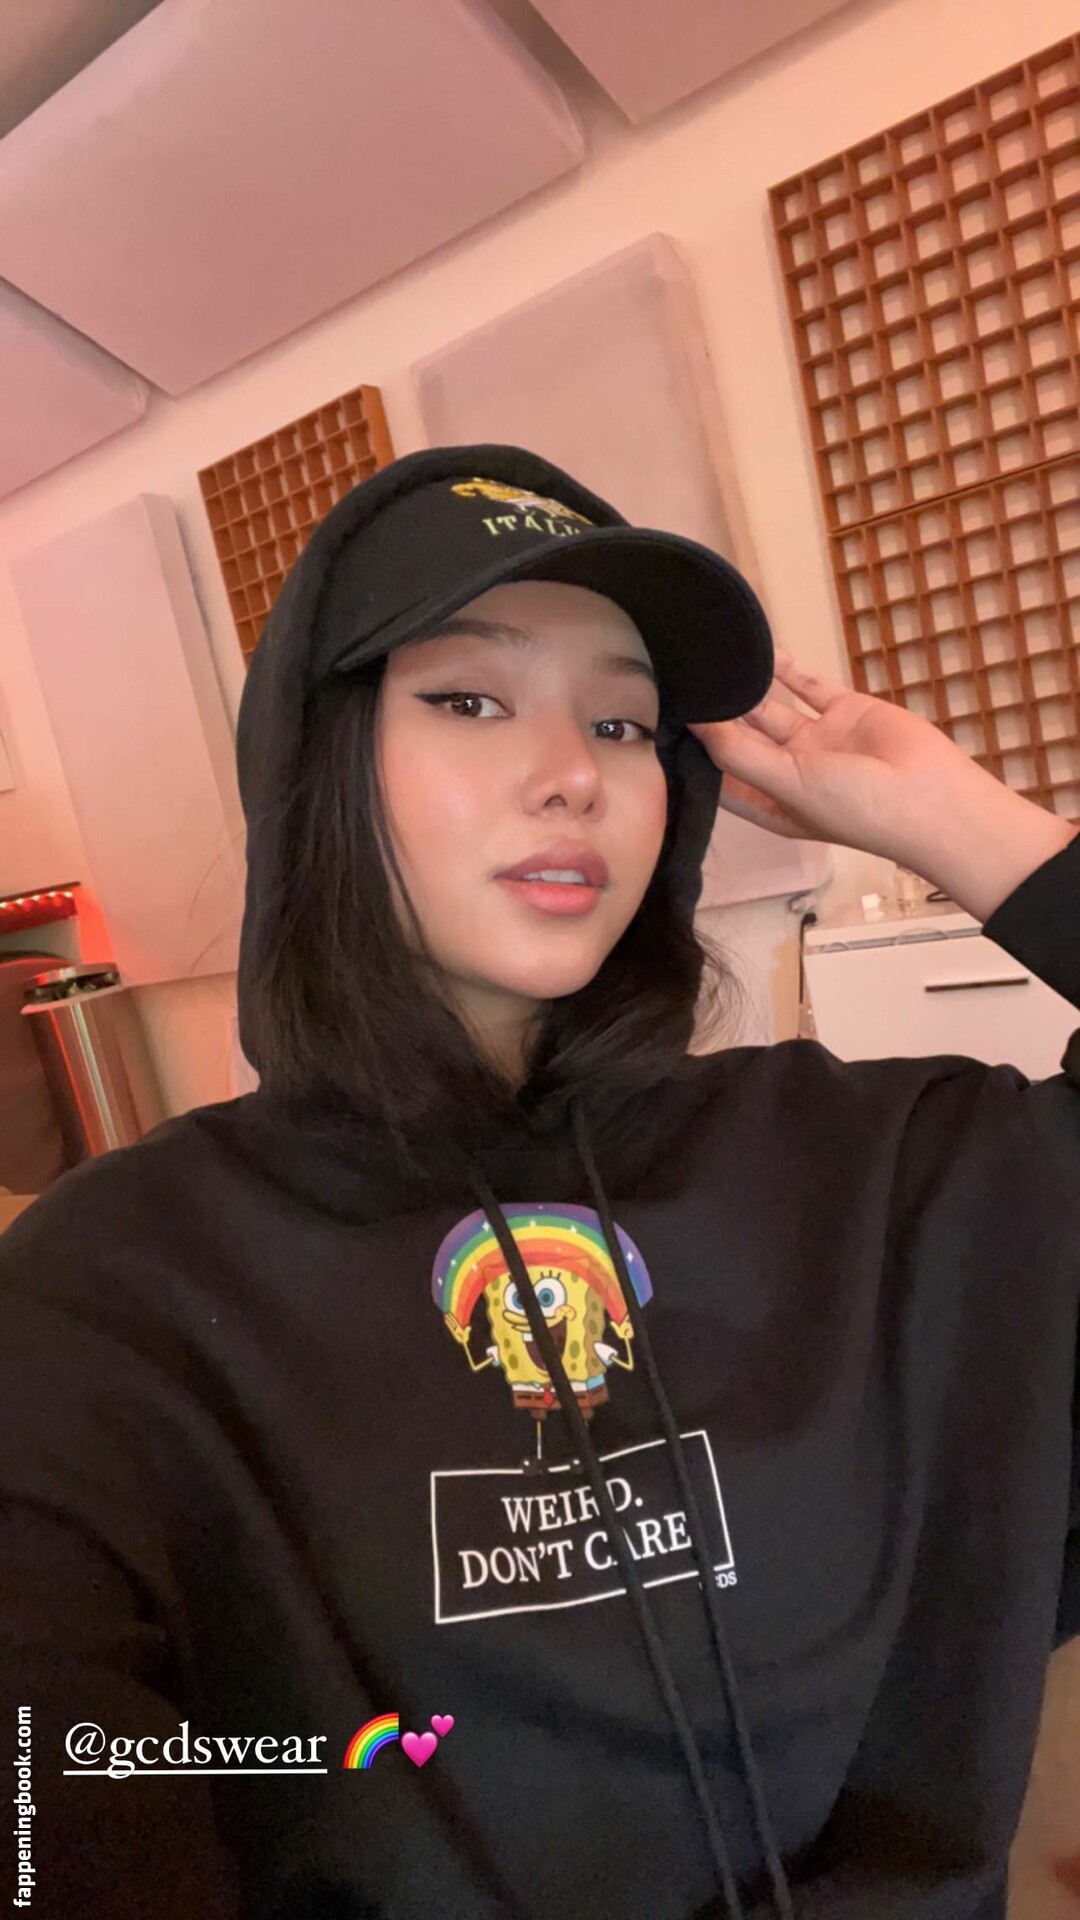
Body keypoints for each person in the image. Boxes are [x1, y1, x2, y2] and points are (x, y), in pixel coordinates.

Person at [0, 442, 1077, 1920]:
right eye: (468, 699)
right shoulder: (113, 1295)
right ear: (319, 763)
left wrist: (947, 815)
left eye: (625, 724)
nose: (575, 774)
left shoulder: (870, 1173)